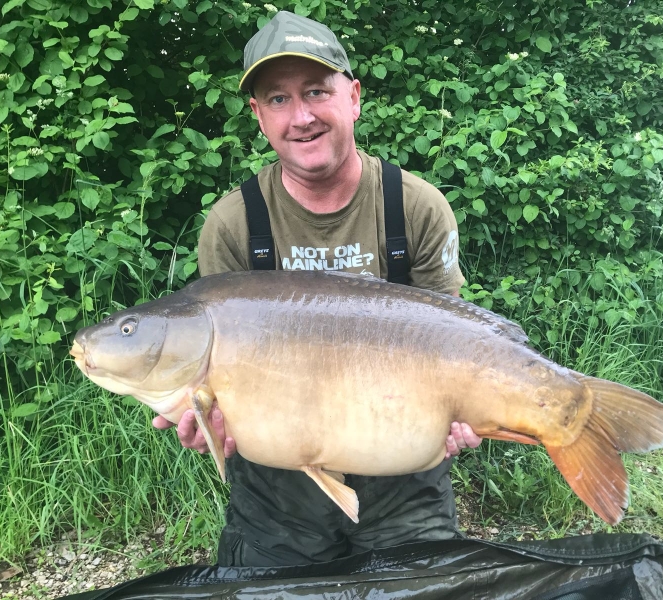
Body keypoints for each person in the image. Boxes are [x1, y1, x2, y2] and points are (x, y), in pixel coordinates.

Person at [152, 10, 482, 567]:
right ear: (257, 116)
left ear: (352, 97)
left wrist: (466, 415)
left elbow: (456, 341)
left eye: (316, 91)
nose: (300, 116)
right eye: (277, 99)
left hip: (404, 475)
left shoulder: (416, 206)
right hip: (278, 492)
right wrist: (208, 421)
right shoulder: (234, 224)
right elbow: (218, 382)